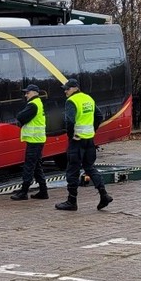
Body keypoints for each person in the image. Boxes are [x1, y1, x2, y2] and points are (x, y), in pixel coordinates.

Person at [55, 78, 112, 211]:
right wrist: (92, 130)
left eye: (67, 89)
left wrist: (71, 135)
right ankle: (104, 194)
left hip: (77, 141)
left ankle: (72, 201)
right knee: (90, 167)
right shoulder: (88, 98)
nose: (65, 92)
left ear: (75, 88)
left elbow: (69, 121)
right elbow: (99, 116)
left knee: (72, 170)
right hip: (89, 140)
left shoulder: (71, 101)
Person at [10, 84, 49, 200]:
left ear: (34, 92)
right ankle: (43, 191)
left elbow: (20, 117)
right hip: (37, 140)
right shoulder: (38, 103)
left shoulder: (33, 104)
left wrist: (20, 117)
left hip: (34, 141)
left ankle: (24, 192)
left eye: (27, 92)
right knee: (36, 166)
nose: (25, 95)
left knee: (29, 166)